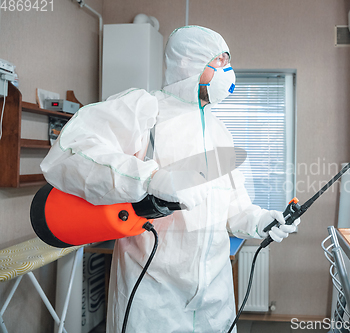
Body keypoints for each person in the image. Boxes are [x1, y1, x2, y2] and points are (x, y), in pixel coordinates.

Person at [40, 26, 300, 332]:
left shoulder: (220, 133)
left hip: (214, 302)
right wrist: (150, 178)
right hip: (153, 297)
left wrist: (261, 220)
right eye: (219, 61)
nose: (227, 71)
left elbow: (233, 211)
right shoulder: (146, 110)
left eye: (228, 62)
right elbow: (69, 152)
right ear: (190, 63)